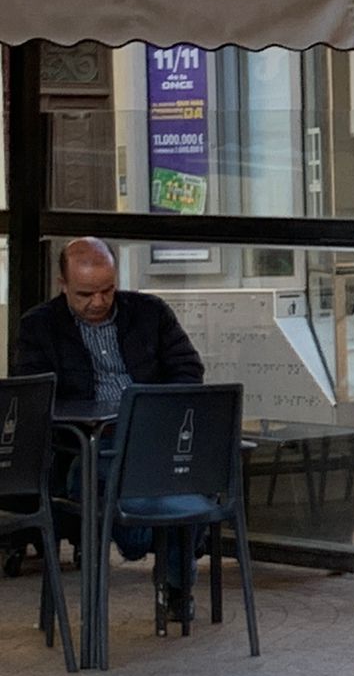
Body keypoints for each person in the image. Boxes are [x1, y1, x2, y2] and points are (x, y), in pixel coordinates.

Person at [12, 238, 207, 621]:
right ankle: (156, 551)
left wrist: (150, 412)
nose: (99, 302)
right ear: (62, 284)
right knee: (127, 490)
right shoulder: (39, 327)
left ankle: (174, 581)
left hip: (151, 437)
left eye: (107, 290)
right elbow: (35, 395)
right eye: (86, 293)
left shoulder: (150, 313)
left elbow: (188, 371)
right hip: (86, 445)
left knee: (192, 478)